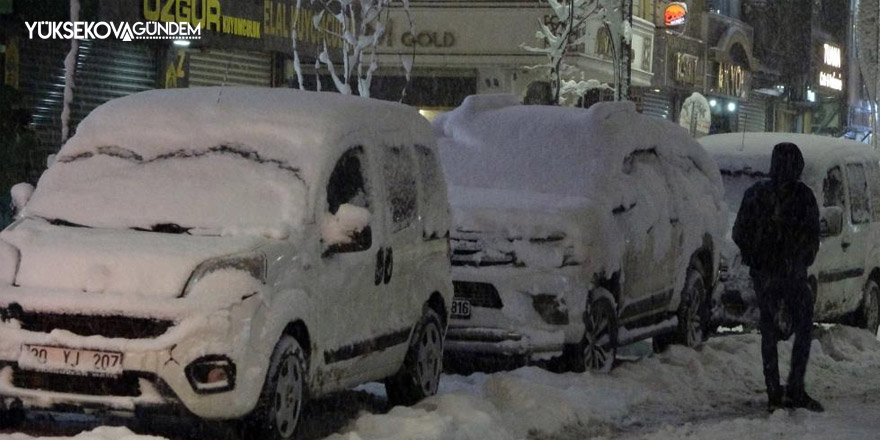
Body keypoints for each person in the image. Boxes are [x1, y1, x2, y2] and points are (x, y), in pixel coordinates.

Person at [732, 142, 823, 412]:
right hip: (792, 273)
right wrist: (800, 259)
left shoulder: (755, 194)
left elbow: (739, 232)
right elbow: (812, 236)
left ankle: (774, 391)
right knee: (803, 326)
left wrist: (755, 259)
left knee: (769, 330)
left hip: (765, 275)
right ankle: (795, 387)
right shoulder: (803, 196)